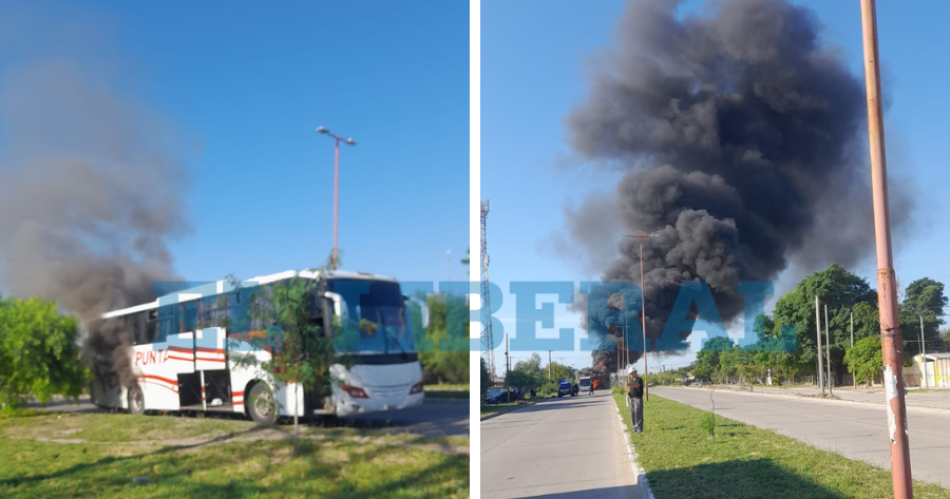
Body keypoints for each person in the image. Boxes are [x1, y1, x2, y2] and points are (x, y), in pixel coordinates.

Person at [626, 367, 644, 432]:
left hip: (638, 399)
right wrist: (629, 393)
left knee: (638, 413)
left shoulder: (639, 380)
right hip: (632, 399)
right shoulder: (631, 381)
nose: (631, 375)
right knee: (633, 413)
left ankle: (639, 428)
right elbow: (632, 388)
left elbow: (637, 385)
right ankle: (634, 427)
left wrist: (629, 385)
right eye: (630, 374)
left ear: (635, 372)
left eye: (632, 373)